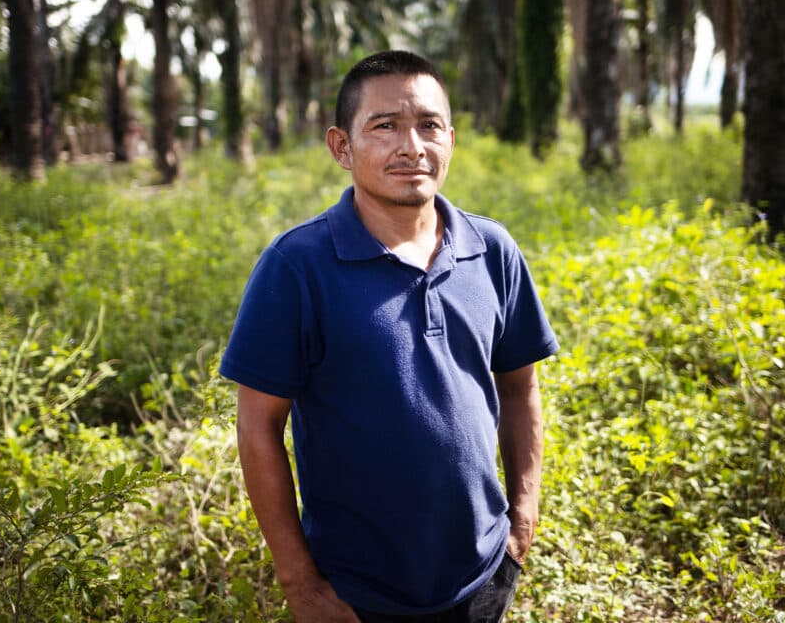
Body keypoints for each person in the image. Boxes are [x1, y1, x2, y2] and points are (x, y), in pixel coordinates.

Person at [219, 50, 558, 623]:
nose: (411, 146)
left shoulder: (492, 249)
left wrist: (521, 522)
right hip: (354, 592)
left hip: (483, 575)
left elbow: (520, 388)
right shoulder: (297, 264)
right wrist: (301, 584)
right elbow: (258, 425)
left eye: (428, 125)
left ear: (450, 138)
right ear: (341, 147)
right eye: (384, 127)